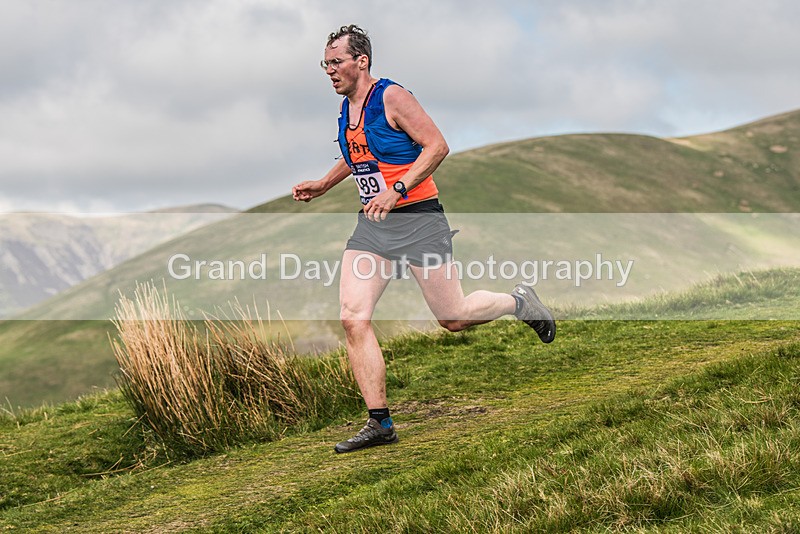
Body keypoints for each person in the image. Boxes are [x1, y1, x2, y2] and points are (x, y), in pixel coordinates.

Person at [292, 24, 555, 454]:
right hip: (373, 226)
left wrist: (396, 192)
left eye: (336, 62)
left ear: (362, 61)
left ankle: (520, 302)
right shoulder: (347, 108)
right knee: (352, 317)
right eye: (325, 63)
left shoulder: (392, 96)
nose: (329, 70)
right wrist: (324, 183)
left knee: (452, 317)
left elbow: (436, 146)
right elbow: (360, 154)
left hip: (417, 219)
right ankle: (380, 423)